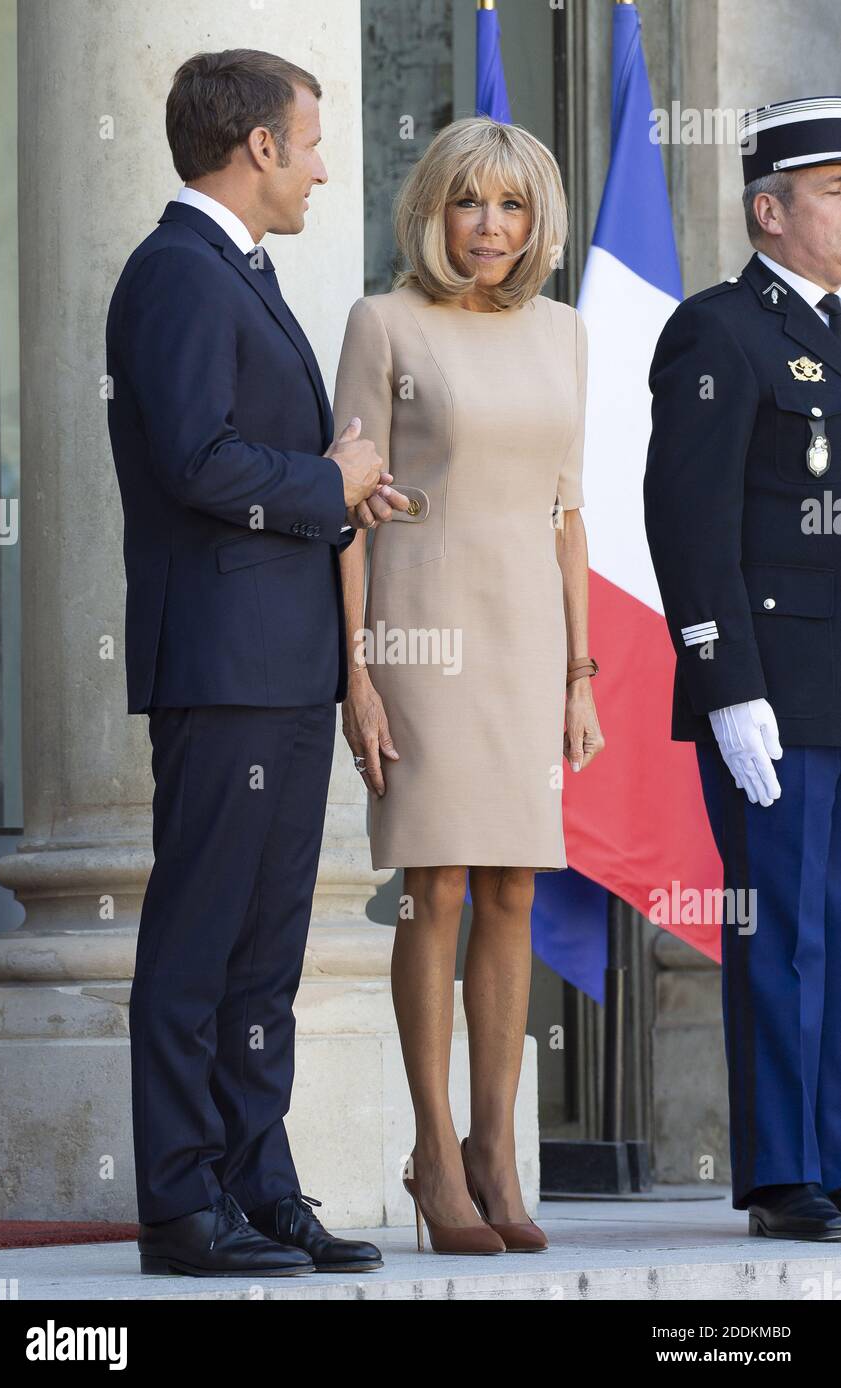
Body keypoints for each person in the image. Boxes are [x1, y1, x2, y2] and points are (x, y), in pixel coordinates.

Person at [106, 48, 409, 1277]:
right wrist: (322, 481)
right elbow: (195, 460)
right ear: (260, 147)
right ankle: (181, 1205)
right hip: (225, 667)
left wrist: (346, 495)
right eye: (313, 141)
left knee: (264, 948)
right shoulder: (177, 271)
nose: (326, 168)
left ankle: (254, 1182)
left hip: (278, 668)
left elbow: (251, 464)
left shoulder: (236, 269)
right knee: (201, 939)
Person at [333, 117, 604, 1255]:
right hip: (419, 623)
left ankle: (498, 1148)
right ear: (433, 213)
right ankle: (433, 1151)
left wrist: (581, 673)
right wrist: (356, 670)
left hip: (527, 633)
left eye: (512, 207)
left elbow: (565, 507)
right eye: (468, 204)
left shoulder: (567, 332)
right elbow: (347, 507)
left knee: (514, 888)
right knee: (433, 882)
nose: (490, 228)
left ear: (535, 222)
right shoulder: (381, 321)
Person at [644, 96, 841, 1241]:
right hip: (775, 688)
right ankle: (783, 1169)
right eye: (831, 192)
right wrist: (725, 684)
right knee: (785, 925)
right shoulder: (718, 331)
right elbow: (686, 520)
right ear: (768, 211)